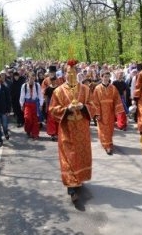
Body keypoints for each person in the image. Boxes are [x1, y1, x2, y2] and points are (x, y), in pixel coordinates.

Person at [49, 59, 96, 202]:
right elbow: (52, 109)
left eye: (74, 73)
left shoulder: (85, 89)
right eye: (68, 73)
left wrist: (84, 107)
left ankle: (78, 180)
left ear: (77, 73)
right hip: (67, 130)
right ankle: (71, 189)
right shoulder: (58, 91)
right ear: (64, 73)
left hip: (82, 129)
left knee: (80, 156)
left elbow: (93, 105)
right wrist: (66, 109)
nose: (71, 75)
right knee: (69, 157)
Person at [93, 70, 125, 155]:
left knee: (110, 129)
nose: (107, 78)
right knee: (103, 129)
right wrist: (97, 113)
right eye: (105, 77)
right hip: (101, 112)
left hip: (110, 112)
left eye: (108, 77)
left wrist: (118, 111)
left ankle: (108, 143)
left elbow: (117, 99)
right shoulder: (97, 88)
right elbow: (95, 102)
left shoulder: (113, 88)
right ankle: (107, 146)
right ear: (101, 77)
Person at [19, 72, 44, 140]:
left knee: (35, 120)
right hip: (27, 104)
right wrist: (21, 104)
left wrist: (41, 104)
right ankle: (28, 130)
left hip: (35, 104)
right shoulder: (24, 86)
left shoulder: (37, 85)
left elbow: (40, 95)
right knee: (27, 118)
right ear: (28, 78)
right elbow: (22, 96)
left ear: (35, 78)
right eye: (30, 78)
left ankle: (35, 134)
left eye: (33, 78)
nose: (31, 79)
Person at [44, 75, 59, 141]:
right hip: (50, 105)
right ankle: (52, 134)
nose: (53, 81)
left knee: (57, 119)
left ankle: (57, 133)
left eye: (54, 80)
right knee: (51, 120)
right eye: (52, 80)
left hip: (57, 105)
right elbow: (46, 98)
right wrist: (46, 106)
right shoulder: (47, 88)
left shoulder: (59, 88)